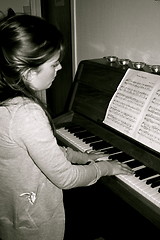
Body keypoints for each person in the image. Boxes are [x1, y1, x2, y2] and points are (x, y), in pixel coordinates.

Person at [0, 14, 133, 240]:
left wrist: (79, 156)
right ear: (27, 71)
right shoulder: (26, 114)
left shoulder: (8, 104)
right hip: (33, 223)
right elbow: (66, 178)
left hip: (12, 212)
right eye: (53, 63)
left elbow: (37, 153)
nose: (60, 67)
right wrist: (106, 168)